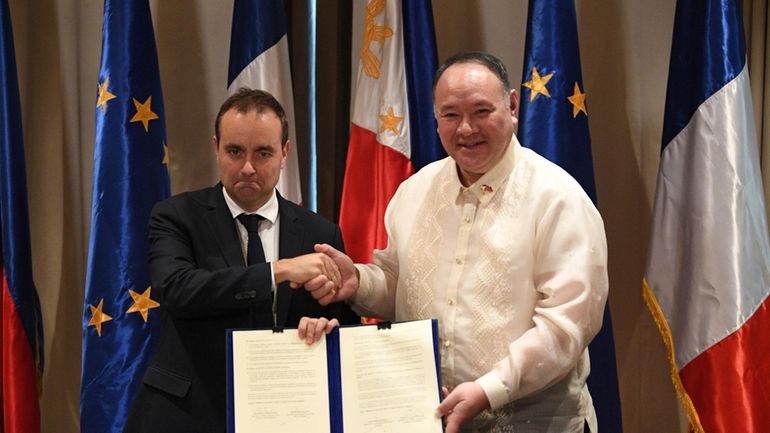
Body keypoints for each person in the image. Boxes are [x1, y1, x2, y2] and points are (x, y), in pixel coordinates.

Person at [312, 52, 608, 433]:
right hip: (430, 419)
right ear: (435, 118)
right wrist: (360, 282)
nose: (466, 129)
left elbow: (567, 326)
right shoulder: (414, 191)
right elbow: (401, 287)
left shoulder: (558, 198)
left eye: (481, 111)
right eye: (450, 115)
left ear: (512, 106)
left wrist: (488, 390)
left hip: (535, 423)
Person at [123, 88, 359, 433]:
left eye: (263, 153)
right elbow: (177, 289)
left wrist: (329, 329)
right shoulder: (176, 215)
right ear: (216, 147)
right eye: (235, 151)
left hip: (286, 415)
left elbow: (341, 321)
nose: (247, 167)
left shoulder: (320, 232)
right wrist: (277, 272)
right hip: (188, 414)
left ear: (285, 153)